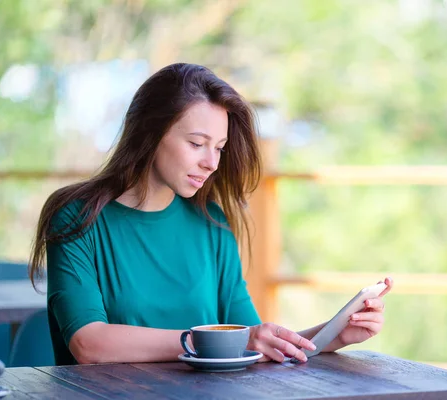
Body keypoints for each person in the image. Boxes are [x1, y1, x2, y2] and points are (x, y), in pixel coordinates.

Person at [28, 63, 392, 366]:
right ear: (150, 134)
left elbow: (251, 339)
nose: (211, 162)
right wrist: (202, 341)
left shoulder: (211, 224)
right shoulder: (77, 218)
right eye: (196, 143)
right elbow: (90, 345)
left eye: (218, 147)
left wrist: (331, 334)